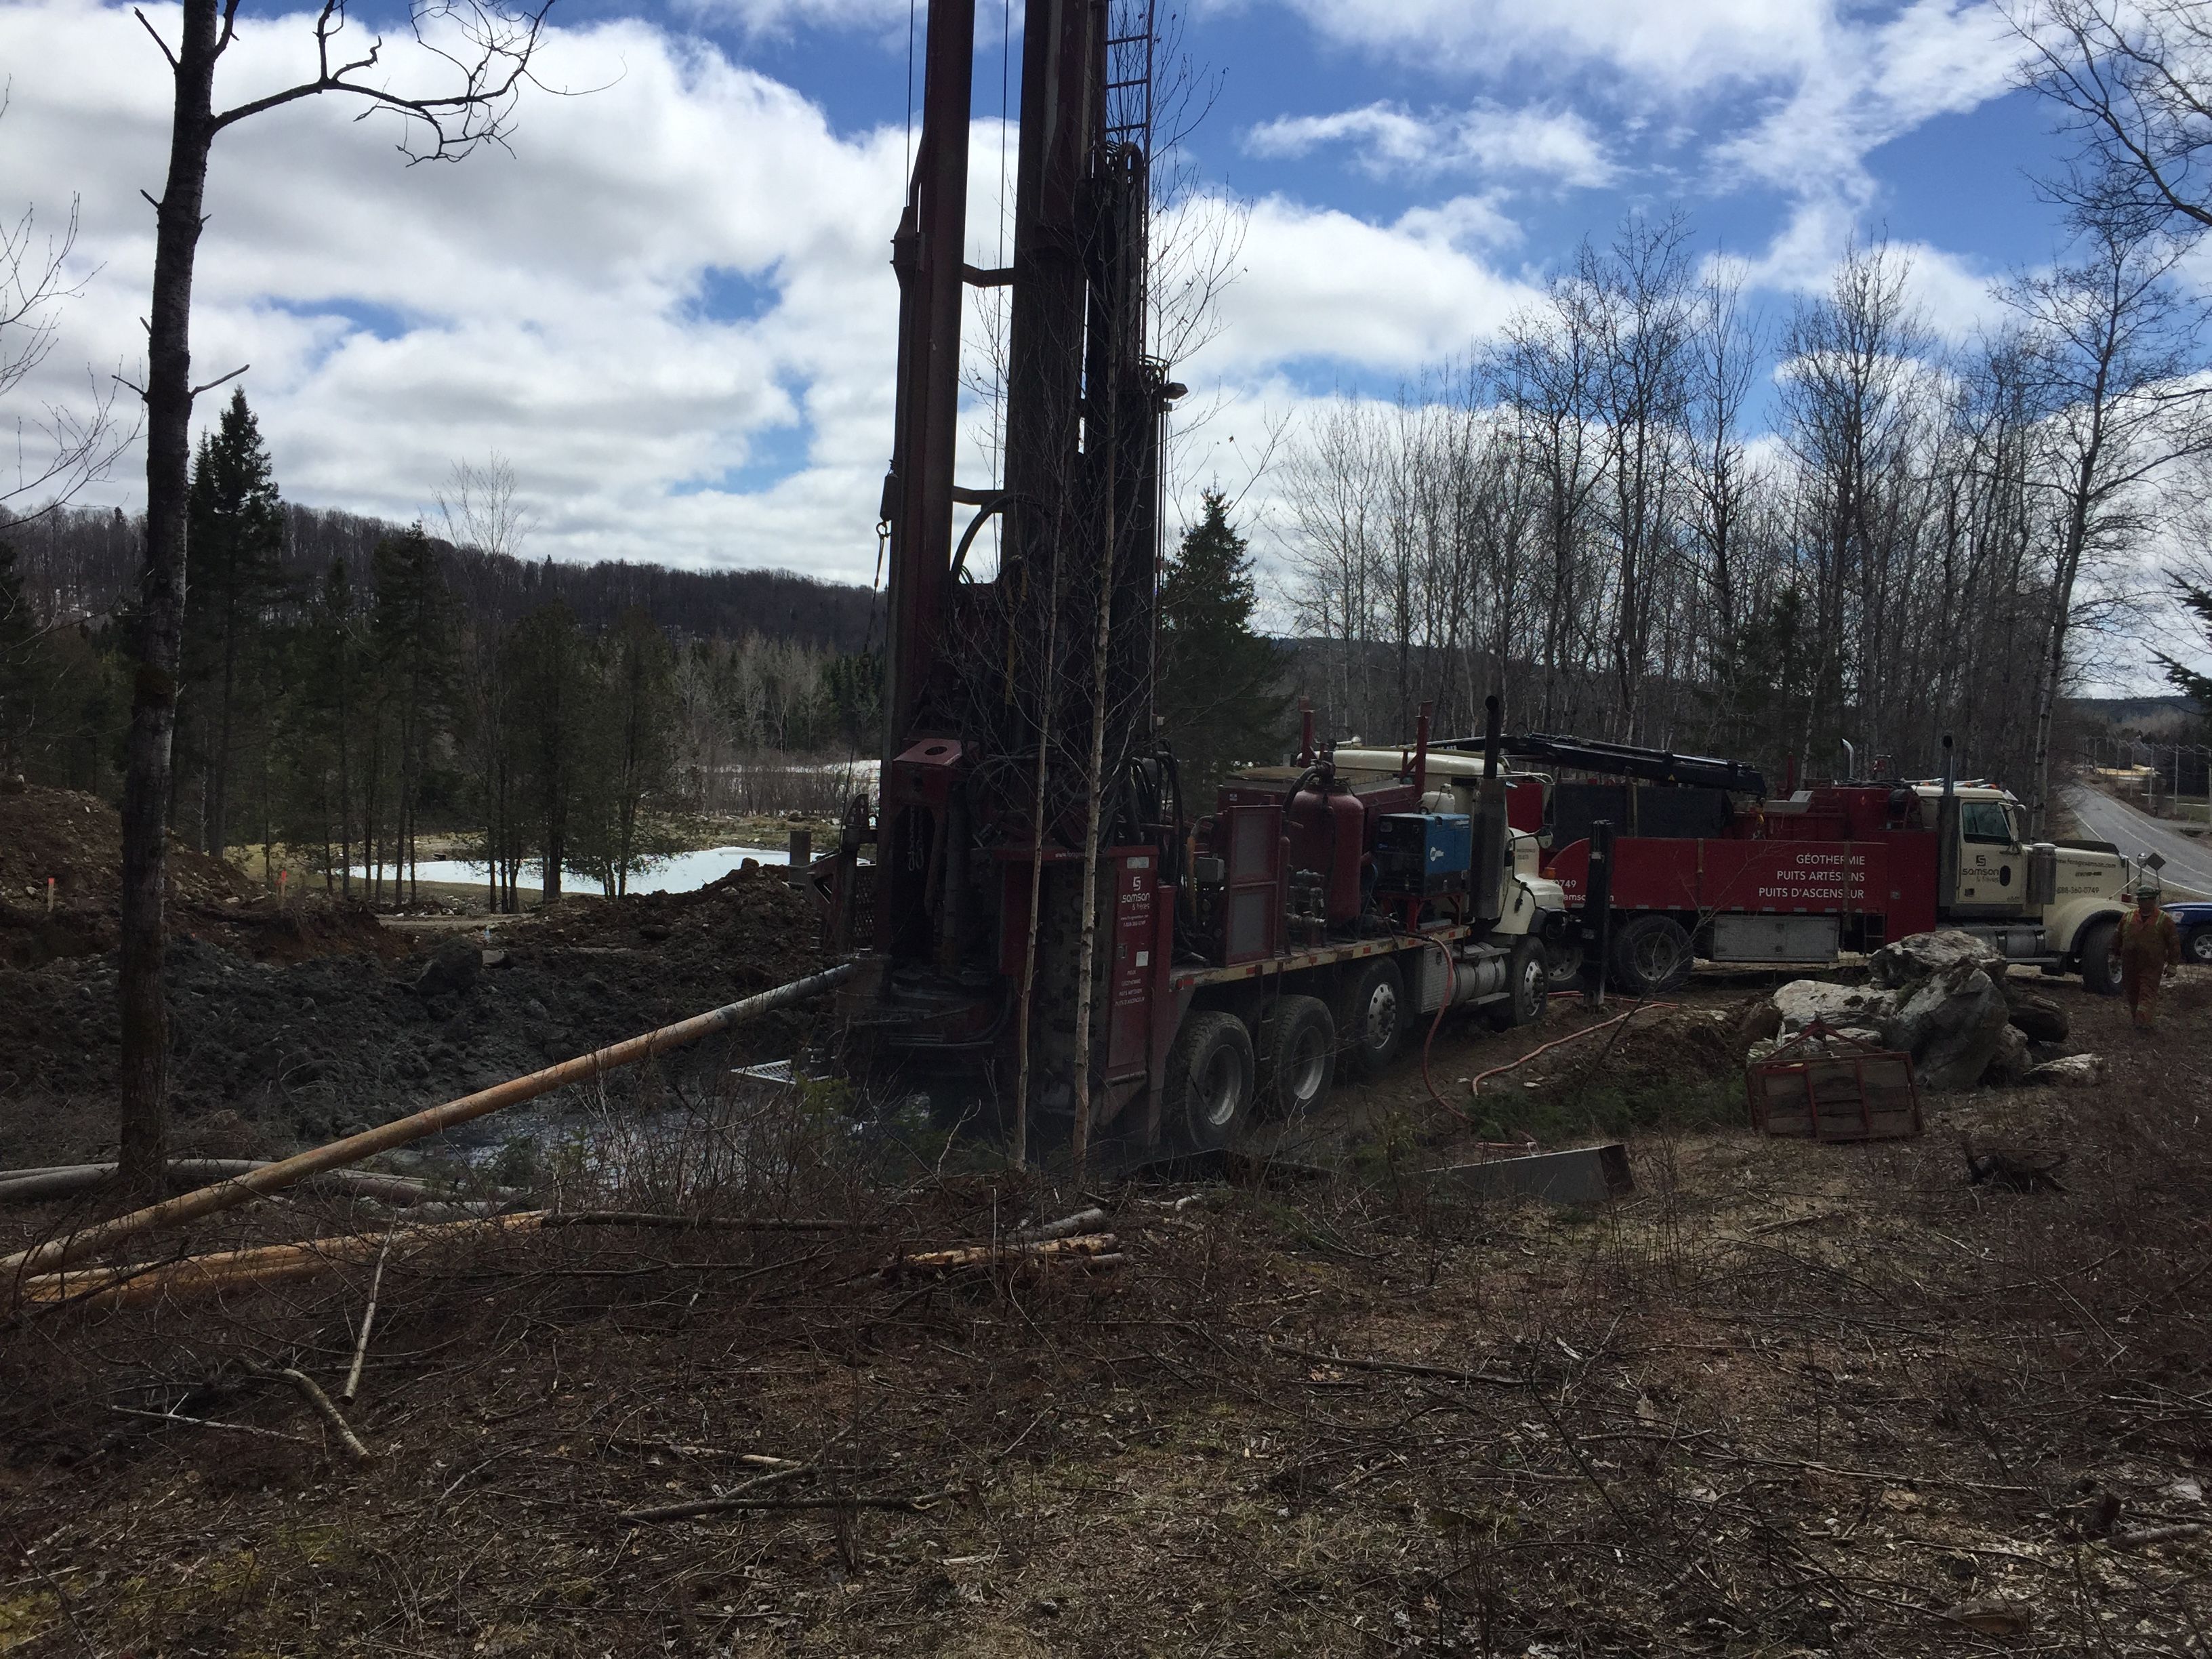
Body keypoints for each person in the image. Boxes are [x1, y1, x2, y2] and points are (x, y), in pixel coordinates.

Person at [2117, 883, 2183, 1031]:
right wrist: (2113, 955)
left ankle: (2142, 1023)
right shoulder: (2128, 917)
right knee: (2132, 992)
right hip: (2130, 963)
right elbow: (2117, 937)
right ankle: (2137, 1020)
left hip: (2152, 964)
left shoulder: (2164, 920)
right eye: (2140, 900)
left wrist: (2172, 965)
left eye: (2146, 899)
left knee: (2147, 993)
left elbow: (2174, 943)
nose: (2143, 903)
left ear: (2153, 901)